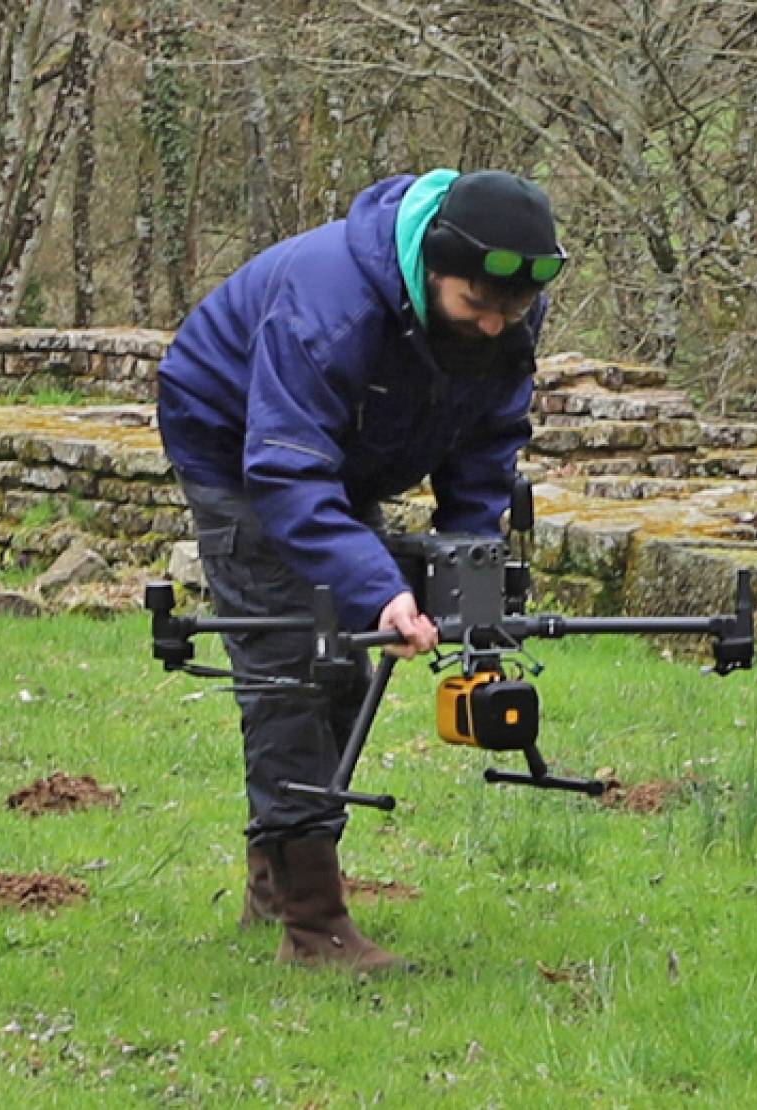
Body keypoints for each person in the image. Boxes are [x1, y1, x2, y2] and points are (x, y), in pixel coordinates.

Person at [157, 168, 564, 972]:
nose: (490, 327)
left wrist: (467, 567)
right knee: (293, 665)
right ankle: (312, 928)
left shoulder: (508, 313)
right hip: (239, 444)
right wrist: (380, 591)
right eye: (473, 307)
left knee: (341, 666)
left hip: (349, 450)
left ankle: (277, 877)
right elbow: (286, 470)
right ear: (430, 272)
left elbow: (488, 443)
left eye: (506, 313)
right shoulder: (330, 302)